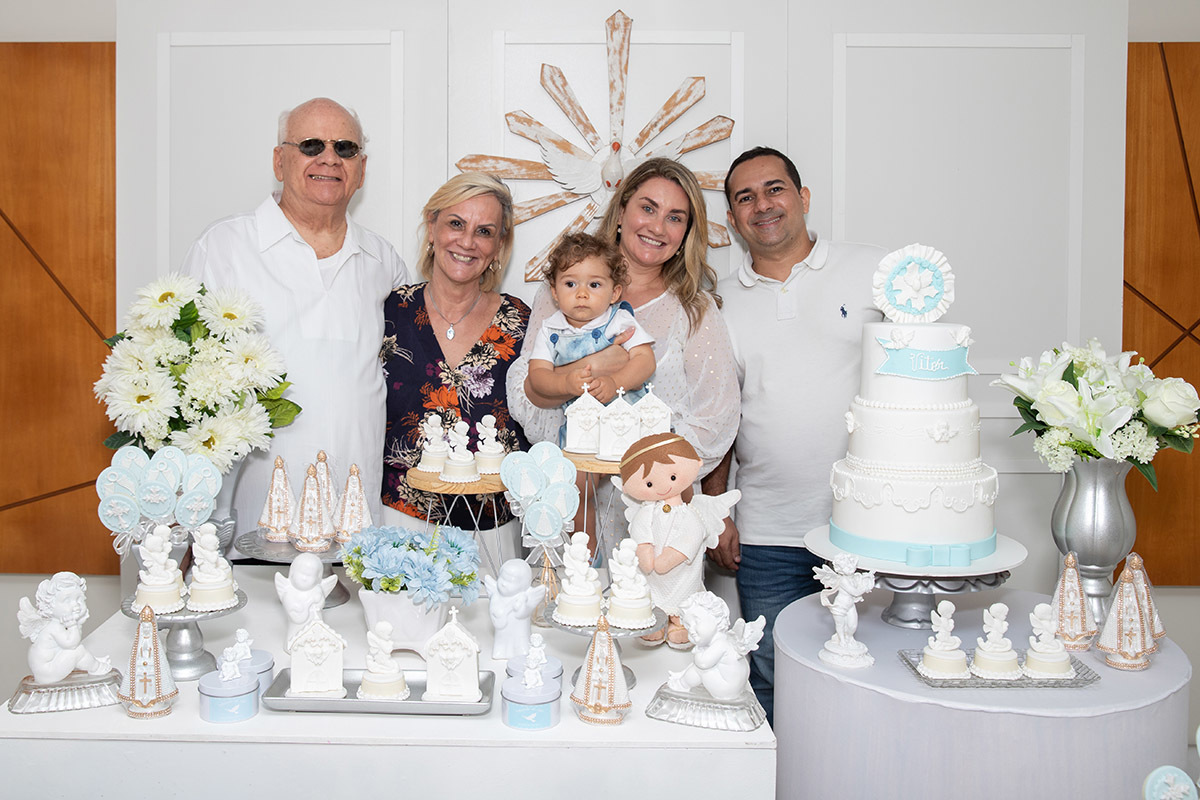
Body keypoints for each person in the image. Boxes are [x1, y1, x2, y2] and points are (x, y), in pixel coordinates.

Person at [702, 146, 886, 725]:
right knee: (773, 674)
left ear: (802, 198)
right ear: (732, 219)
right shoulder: (720, 302)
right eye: (745, 197)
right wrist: (719, 510)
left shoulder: (876, 272)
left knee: (869, 672)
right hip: (767, 532)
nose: (763, 205)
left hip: (869, 527)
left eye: (774, 189)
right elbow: (720, 417)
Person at [181, 97, 408, 554]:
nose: (329, 158)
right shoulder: (224, 247)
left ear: (361, 169)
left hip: (356, 517)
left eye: (345, 148)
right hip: (246, 515)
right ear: (279, 160)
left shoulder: (383, 262)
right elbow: (184, 382)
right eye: (311, 144)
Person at [507, 158, 740, 554]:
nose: (656, 226)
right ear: (622, 211)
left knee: (653, 607)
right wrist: (597, 367)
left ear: (686, 233)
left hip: (658, 506)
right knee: (576, 597)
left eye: (675, 217)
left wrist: (640, 465)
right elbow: (527, 391)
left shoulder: (694, 309)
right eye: (648, 208)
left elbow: (716, 415)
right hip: (575, 492)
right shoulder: (561, 296)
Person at [380, 173, 531, 549]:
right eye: (456, 224)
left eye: (484, 232)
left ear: (499, 246)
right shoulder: (389, 312)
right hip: (399, 524)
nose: (467, 242)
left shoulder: (522, 323)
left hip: (494, 533)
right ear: (432, 228)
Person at [527, 231, 656, 409]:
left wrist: (615, 382)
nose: (581, 294)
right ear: (555, 292)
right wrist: (564, 383)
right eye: (570, 284)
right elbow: (537, 376)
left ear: (614, 293)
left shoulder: (618, 320)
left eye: (594, 285)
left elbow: (646, 361)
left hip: (630, 416)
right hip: (582, 424)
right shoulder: (550, 330)